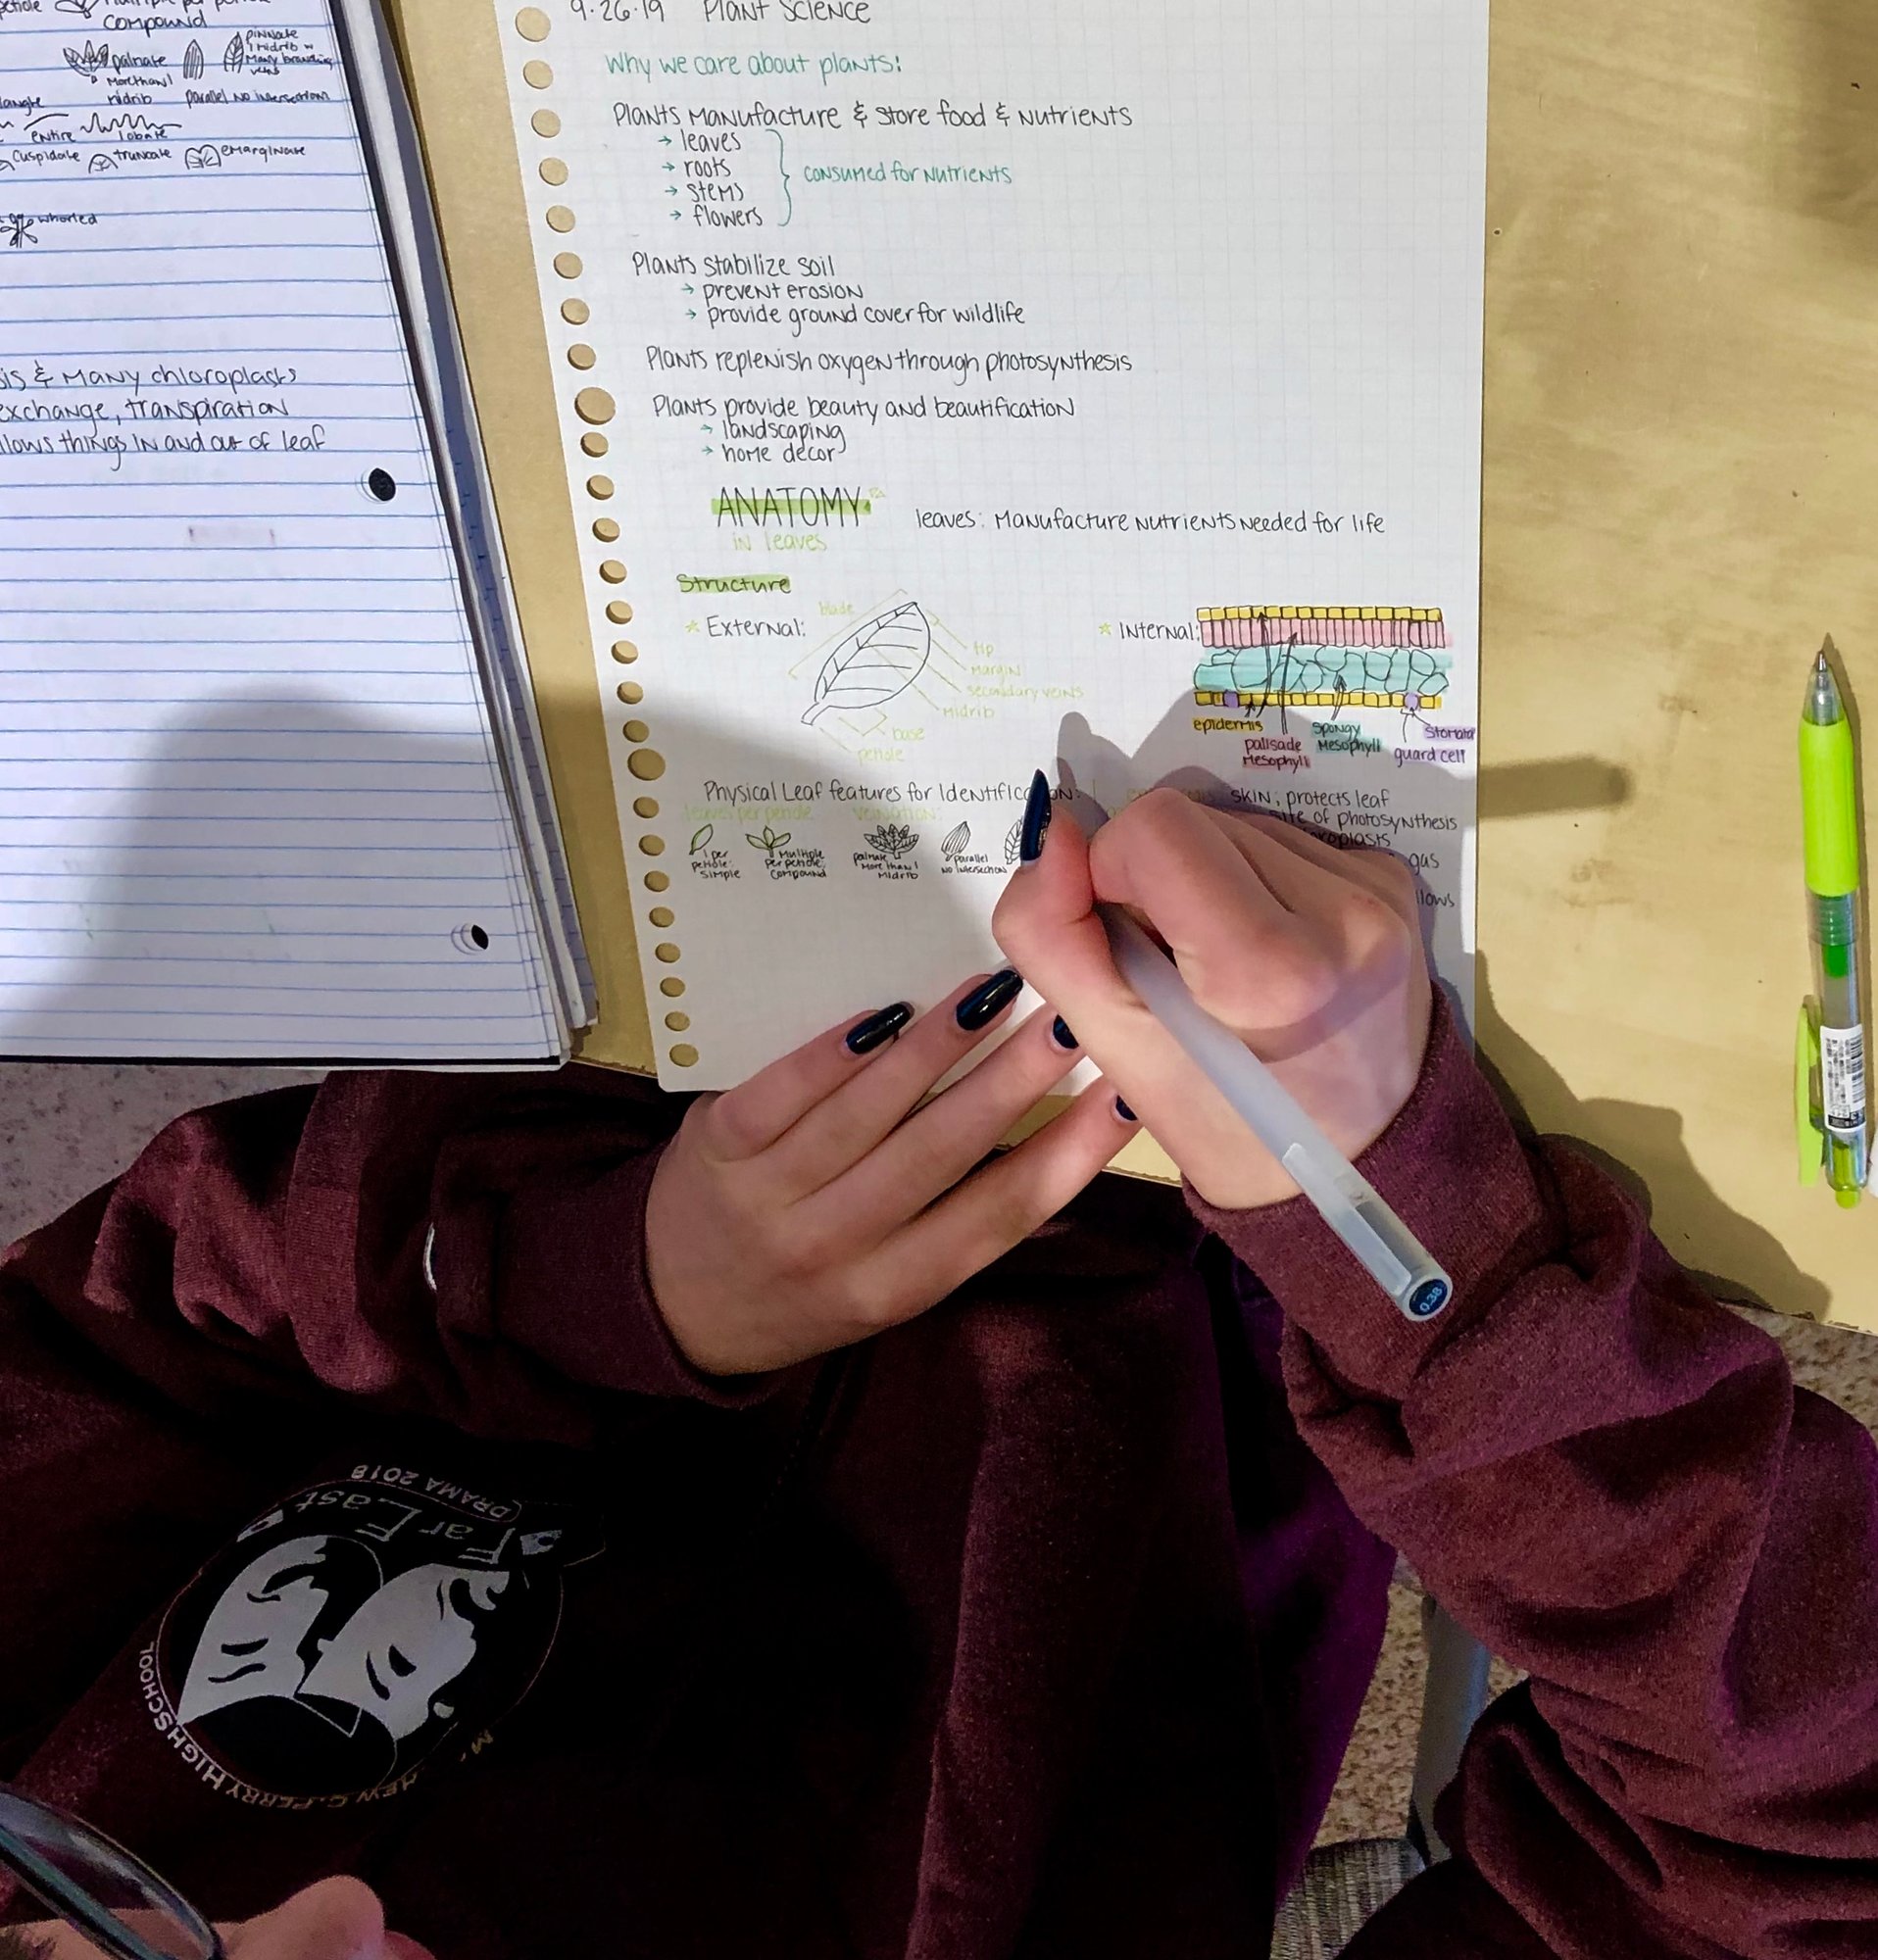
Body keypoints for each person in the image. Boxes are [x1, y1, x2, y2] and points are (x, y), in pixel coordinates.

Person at [1, 785, 1874, 1958]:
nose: (331, 1913)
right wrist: (1420, 1265)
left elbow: (130, 1316)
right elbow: (1804, 1852)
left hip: (670, 1024)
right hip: (1273, 1301)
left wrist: (613, 1280)